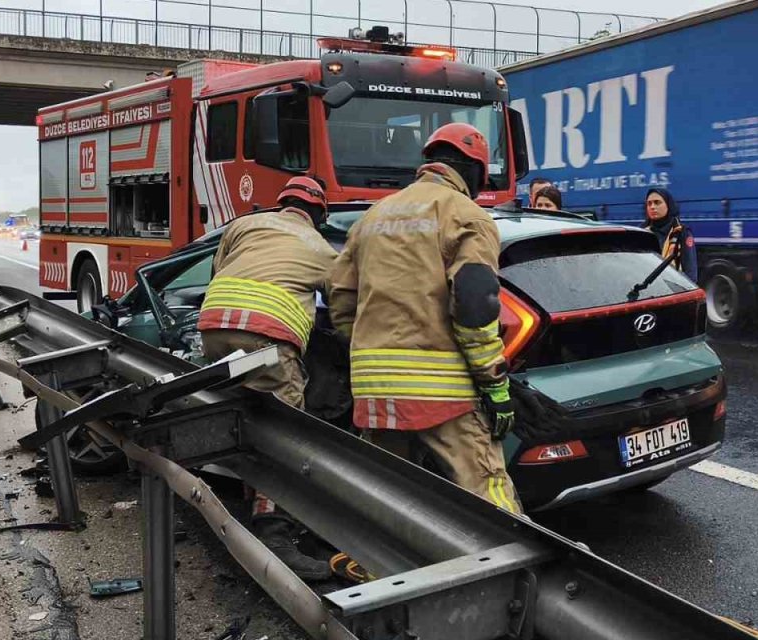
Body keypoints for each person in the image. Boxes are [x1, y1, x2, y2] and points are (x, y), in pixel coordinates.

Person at [329, 122, 523, 514]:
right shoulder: (467, 215)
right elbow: (475, 306)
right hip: (443, 388)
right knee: (488, 490)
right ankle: (512, 567)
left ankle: (371, 565)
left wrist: (371, 349)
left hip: (375, 386)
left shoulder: (372, 217)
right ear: (473, 171)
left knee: (384, 494)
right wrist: (495, 385)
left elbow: (340, 296)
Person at [196, 175, 339, 580]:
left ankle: (238, 496)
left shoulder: (244, 225)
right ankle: (272, 532)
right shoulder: (320, 248)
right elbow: (345, 305)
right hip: (268, 344)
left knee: (240, 414)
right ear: (318, 215)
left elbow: (219, 270)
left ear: (281, 203)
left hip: (214, 328)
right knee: (284, 434)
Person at [643, 188, 698, 281]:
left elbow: (690, 271)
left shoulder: (681, 232)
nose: (652, 207)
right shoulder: (642, 232)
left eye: (657, 202)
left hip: (674, 290)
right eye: (649, 203)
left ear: (668, 205)